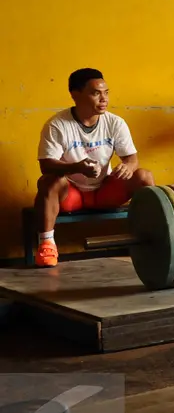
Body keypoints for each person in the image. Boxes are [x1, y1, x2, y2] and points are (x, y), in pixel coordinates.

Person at [33, 68, 155, 268]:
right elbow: (46, 166)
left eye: (106, 92)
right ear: (75, 94)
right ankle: (47, 245)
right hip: (72, 195)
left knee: (144, 176)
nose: (103, 99)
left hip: (104, 192)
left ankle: (150, 237)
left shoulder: (115, 123)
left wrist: (127, 166)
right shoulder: (57, 125)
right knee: (48, 181)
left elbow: (132, 159)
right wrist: (77, 167)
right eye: (96, 93)